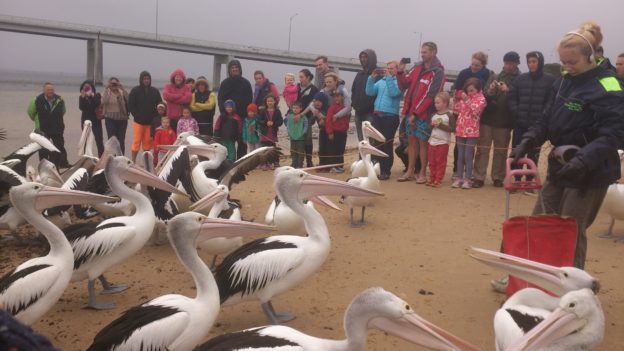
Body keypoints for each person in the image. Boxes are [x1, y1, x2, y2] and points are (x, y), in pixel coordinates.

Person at [509, 21, 624, 270]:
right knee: (541, 220)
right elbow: (546, 118)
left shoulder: (609, 85)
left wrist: (583, 160)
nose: (567, 67)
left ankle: (572, 289)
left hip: (590, 171)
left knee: (570, 228)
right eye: (563, 62)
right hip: (560, 165)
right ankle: (531, 275)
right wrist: (528, 139)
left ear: (591, 56)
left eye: (573, 62)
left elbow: (614, 133)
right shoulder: (562, 82)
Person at [396, 42, 446, 183]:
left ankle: (423, 173)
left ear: (433, 52)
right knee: (411, 142)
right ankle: (410, 171)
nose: (422, 54)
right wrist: (400, 72)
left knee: (423, 143)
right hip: (410, 112)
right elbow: (404, 84)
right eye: (421, 52)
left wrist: (416, 114)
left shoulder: (438, 71)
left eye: (425, 52)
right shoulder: (417, 66)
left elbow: (431, 95)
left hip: (424, 114)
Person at [507, 51, 556, 193]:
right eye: (529, 62)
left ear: (540, 62)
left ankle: (529, 183)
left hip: (538, 126)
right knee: (517, 153)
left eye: (534, 61)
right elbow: (512, 98)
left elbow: (550, 102)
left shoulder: (550, 80)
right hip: (520, 124)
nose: (531, 64)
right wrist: (517, 112)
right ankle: (516, 181)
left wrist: (543, 117)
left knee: (533, 155)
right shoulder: (520, 79)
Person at [471, 51, 521, 188]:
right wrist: (492, 89)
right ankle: (478, 177)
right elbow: (485, 93)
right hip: (487, 119)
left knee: (501, 151)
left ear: (517, 63)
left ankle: (498, 177)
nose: (508, 66)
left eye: (511, 63)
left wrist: (508, 90)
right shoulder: (495, 76)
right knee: (482, 149)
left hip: (505, 121)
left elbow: (521, 98)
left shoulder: (521, 78)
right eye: (506, 63)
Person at [365, 60, 402, 180]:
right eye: (388, 68)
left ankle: (386, 170)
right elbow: (369, 92)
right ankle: (378, 168)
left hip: (391, 116)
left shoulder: (399, 82)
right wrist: (371, 78)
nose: (389, 70)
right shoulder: (381, 81)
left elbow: (394, 93)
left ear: (397, 69)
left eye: (392, 68)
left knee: (386, 143)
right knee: (378, 143)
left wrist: (390, 78)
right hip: (377, 114)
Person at [452, 78, 487, 189]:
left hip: (472, 131)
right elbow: (457, 111)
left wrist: (467, 100)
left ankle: (468, 179)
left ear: (478, 89)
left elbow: (475, 111)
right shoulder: (464, 98)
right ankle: (458, 177)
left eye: (472, 90)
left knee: (468, 155)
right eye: (468, 90)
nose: (470, 92)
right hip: (461, 130)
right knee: (460, 155)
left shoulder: (481, 99)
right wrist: (456, 99)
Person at [27, 82, 69, 167]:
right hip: (42, 128)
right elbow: (31, 112)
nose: (50, 91)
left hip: (57, 128)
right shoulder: (37, 100)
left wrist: (54, 119)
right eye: (48, 90)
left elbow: (63, 111)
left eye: (52, 90)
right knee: (43, 149)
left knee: (59, 147)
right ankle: (44, 166)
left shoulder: (59, 100)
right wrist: (37, 120)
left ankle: (60, 164)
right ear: (44, 90)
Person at [218, 60, 253, 159]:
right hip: (228, 117)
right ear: (229, 70)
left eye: (236, 67)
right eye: (232, 68)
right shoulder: (225, 83)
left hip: (242, 117)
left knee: (242, 141)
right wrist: (223, 112)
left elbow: (250, 100)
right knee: (228, 141)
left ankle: (241, 161)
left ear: (240, 69)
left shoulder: (246, 83)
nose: (234, 69)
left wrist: (249, 117)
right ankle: (228, 161)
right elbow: (220, 98)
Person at [128, 70, 162, 163]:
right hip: (138, 122)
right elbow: (130, 105)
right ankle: (133, 161)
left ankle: (146, 162)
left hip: (150, 123)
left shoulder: (155, 91)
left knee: (147, 144)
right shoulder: (135, 90)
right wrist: (136, 115)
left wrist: (156, 116)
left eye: (148, 79)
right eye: (144, 79)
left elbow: (160, 104)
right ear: (141, 80)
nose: (146, 80)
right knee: (136, 142)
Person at [427, 92, 455, 187]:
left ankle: (438, 179)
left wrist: (440, 125)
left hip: (443, 142)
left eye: (438, 103)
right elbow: (429, 128)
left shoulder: (449, 115)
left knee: (440, 162)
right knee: (431, 161)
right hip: (432, 142)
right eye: (435, 103)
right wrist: (431, 125)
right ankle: (432, 178)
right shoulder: (433, 115)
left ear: (445, 103)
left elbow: (452, 129)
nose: (436, 105)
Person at [352, 49, 378, 141]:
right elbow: (354, 91)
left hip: (370, 113)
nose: (363, 59)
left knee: (371, 141)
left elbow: (377, 94)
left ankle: (371, 156)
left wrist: (368, 106)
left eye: (365, 57)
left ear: (372, 58)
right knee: (361, 141)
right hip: (358, 113)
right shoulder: (359, 74)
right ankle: (361, 156)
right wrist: (354, 105)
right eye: (361, 57)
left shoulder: (377, 74)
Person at [296, 69, 319, 167]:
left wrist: (311, 118)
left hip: (308, 117)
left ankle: (309, 161)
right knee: (297, 139)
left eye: (302, 77)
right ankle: (298, 161)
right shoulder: (296, 88)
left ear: (308, 77)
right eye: (299, 77)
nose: (300, 79)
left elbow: (313, 105)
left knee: (308, 139)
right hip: (296, 117)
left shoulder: (314, 89)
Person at [101, 77, 130, 154]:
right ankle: (111, 157)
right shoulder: (107, 92)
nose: (114, 85)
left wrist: (123, 89)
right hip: (110, 119)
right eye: (112, 83)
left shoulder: (121, 92)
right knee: (111, 140)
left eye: (115, 83)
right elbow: (103, 101)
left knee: (121, 141)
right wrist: (106, 88)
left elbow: (128, 100)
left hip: (122, 119)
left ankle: (121, 157)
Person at [325, 89, 351, 173]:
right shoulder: (331, 108)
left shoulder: (345, 108)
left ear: (342, 97)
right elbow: (328, 121)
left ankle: (339, 165)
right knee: (333, 150)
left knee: (341, 149)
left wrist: (346, 127)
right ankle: (333, 166)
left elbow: (347, 118)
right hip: (334, 132)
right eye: (334, 97)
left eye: (338, 96)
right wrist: (330, 132)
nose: (336, 98)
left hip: (343, 132)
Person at [257, 94, 283, 169]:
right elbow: (259, 120)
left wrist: (274, 123)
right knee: (265, 148)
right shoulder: (262, 111)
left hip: (273, 133)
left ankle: (275, 162)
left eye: (271, 101)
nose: (270, 102)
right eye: (268, 101)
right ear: (266, 102)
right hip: (264, 133)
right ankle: (266, 163)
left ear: (275, 102)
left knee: (273, 148)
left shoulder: (277, 111)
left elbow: (280, 122)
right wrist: (266, 122)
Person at [78, 80, 104, 156]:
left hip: (96, 121)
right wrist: (83, 98)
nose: (87, 89)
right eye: (85, 88)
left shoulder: (96, 95)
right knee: (85, 140)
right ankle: (86, 157)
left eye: (88, 87)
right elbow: (81, 108)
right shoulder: (81, 97)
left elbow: (97, 103)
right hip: (85, 121)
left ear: (92, 88)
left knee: (99, 141)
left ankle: (101, 157)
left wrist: (91, 96)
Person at [284, 101, 308, 168]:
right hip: (292, 137)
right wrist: (289, 132)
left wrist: (304, 132)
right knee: (293, 151)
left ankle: (300, 164)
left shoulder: (303, 117)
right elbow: (287, 125)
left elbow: (306, 124)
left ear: (301, 109)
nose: (295, 109)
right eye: (293, 108)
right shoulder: (290, 116)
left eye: (297, 108)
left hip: (301, 138)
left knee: (300, 152)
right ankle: (294, 164)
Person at [311, 92, 330, 170]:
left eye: (320, 101)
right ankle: (322, 163)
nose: (317, 103)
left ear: (324, 102)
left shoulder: (328, 108)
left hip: (330, 131)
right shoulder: (316, 110)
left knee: (328, 148)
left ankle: (328, 165)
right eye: (316, 101)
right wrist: (314, 115)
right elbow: (311, 122)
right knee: (321, 148)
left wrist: (324, 120)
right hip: (322, 130)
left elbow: (331, 119)